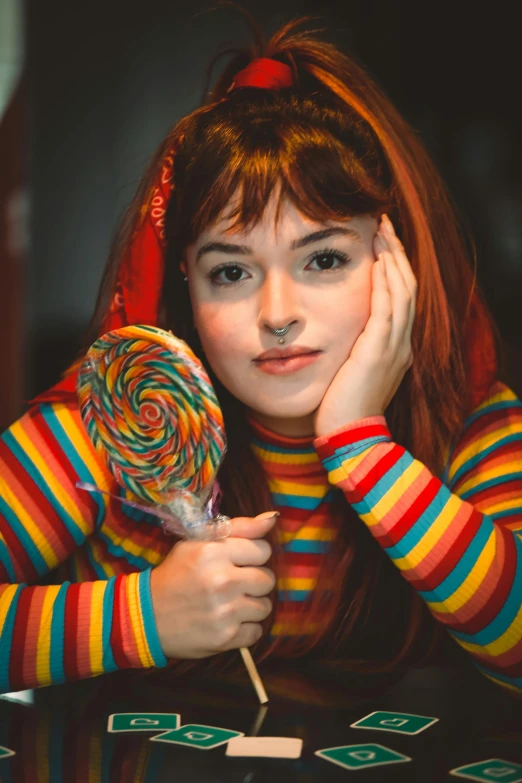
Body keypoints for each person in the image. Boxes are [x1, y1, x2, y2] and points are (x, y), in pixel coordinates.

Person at [1, 10, 521, 698]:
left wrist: (362, 447)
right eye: (232, 272)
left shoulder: (469, 420)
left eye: (325, 258)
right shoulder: (118, 425)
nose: (277, 315)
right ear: (186, 281)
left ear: (394, 257)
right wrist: (145, 615)